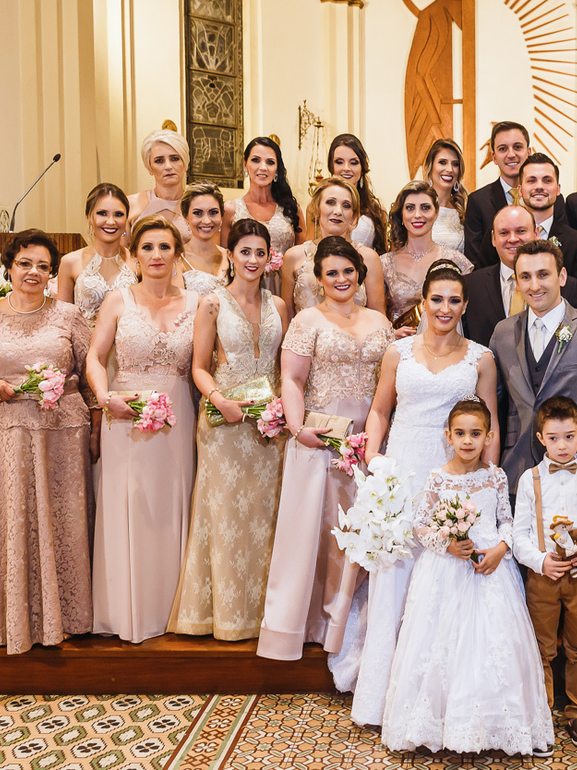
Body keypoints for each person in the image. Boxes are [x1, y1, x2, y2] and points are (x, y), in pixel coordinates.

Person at [336, 261, 500, 727]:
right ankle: (388, 692)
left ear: (464, 305)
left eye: (454, 300)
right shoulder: (397, 353)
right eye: (437, 299)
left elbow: (489, 424)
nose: (444, 308)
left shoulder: (480, 358)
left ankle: (442, 696)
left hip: (456, 472)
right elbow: (380, 411)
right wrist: (376, 466)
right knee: (398, 577)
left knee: (445, 578)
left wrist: (484, 480)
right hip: (405, 470)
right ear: (422, 303)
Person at [380, 398, 554, 758]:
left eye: (476, 434)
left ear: (489, 437)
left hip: (491, 569)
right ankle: (442, 724)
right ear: (448, 436)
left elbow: (507, 521)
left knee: (493, 645)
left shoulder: (496, 476)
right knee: (444, 644)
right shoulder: (437, 477)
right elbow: (420, 524)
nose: (467, 441)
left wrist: (501, 548)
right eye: (460, 433)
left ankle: (495, 724)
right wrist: (445, 545)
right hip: (446, 573)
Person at [0, 230, 97, 654]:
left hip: (60, 434)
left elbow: (91, 374)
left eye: (43, 266)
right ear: (9, 267)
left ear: (52, 273)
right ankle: (5, 618)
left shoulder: (69, 316)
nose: (33, 272)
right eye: (24, 264)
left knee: (61, 521)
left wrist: (97, 425)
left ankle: (66, 618)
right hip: (1, 437)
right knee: (6, 519)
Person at [257, 237, 394, 660]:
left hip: (369, 440)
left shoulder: (380, 322)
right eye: (331, 272)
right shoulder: (307, 321)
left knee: (359, 533)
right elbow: (292, 380)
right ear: (318, 279)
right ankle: (310, 625)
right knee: (316, 532)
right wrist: (298, 429)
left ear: (360, 274)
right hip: (319, 436)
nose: (341, 279)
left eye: (348, 271)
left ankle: (352, 627)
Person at [168, 219, 289, 641]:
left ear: (269, 257)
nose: (253, 260)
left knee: (264, 515)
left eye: (260, 253)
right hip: (224, 421)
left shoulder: (280, 306)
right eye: (245, 252)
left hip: (267, 426)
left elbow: (281, 368)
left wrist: (280, 413)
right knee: (224, 513)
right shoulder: (211, 303)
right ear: (231, 255)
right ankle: (222, 615)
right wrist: (219, 399)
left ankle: (261, 614)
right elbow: (198, 367)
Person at [87, 216, 199, 643]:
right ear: (134, 256)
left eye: (164, 248)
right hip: (124, 413)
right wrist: (104, 397)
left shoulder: (196, 303)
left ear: (177, 255)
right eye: (147, 248)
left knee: (171, 505)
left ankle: (171, 609)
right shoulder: (117, 301)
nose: (156, 256)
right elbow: (96, 357)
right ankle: (125, 610)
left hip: (178, 415)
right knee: (129, 504)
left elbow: (206, 365)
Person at [512, 396, 577, 750]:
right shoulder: (529, 480)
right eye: (553, 438)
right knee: (541, 648)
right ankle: (541, 717)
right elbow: (519, 535)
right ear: (540, 437)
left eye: (569, 437)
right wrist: (540, 561)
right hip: (543, 578)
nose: (561, 445)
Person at [490, 240, 577, 502]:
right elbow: (493, 406)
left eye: (543, 275)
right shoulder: (503, 333)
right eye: (525, 277)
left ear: (561, 276)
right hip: (517, 472)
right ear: (517, 283)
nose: (534, 285)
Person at [461, 206, 577, 346]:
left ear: (536, 233)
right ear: (493, 238)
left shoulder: (566, 285)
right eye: (504, 233)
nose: (513, 239)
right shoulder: (471, 285)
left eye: (521, 231)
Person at [281, 177, 386, 318]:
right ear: (316, 209)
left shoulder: (368, 258)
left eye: (346, 206)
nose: (338, 211)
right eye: (330, 203)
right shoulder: (294, 257)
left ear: (354, 216)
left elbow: (378, 317)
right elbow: (287, 316)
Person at [379, 181, 473, 336]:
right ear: (401, 215)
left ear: (436, 213)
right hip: (399, 348)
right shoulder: (384, 263)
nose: (417, 215)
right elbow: (375, 312)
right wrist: (391, 334)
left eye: (425, 207)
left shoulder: (457, 261)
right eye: (410, 208)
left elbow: (467, 314)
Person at [464, 121, 563, 267]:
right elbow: (474, 260)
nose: (511, 154)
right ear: (494, 157)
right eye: (503, 149)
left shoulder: (553, 200)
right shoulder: (478, 201)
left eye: (517, 147)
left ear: (529, 152)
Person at [226, 136, 302, 293]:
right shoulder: (231, 210)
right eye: (255, 160)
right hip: (244, 291)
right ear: (245, 165)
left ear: (277, 170)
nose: (263, 167)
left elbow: (302, 259)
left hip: (285, 290)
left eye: (270, 162)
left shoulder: (292, 210)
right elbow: (224, 259)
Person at [56, 183, 137, 328]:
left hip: (127, 347)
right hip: (84, 347)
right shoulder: (70, 262)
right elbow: (64, 321)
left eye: (118, 214)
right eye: (102, 213)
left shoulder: (138, 261)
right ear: (88, 217)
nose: (111, 221)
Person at [519, 153, 577, 297]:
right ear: (520, 189)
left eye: (547, 180)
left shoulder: (576, 242)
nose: (539, 187)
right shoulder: (506, 238)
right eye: (531, 180)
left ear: (558, 189)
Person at [128, 129, 192, 243]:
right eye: (159, 161)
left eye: (174, 159)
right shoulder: (132, 204)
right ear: (149, 167)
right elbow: (122, 255)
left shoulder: (199, 204)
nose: (168, 166)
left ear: (185, 163)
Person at [328, 133, 388, 253]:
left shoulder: (376, 209)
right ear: (331, 166)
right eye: (339, 162)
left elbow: (383, 253)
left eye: (353, 162)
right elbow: (309, 254)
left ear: (362, 168)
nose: (346, 168)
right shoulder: (316, 208)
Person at [179, 182, 230, 296]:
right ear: (185, 217)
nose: (206, 220)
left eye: (213, 213)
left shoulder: (230, 257)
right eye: (198, 213)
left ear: (222, 215)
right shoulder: (177, 258)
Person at [422, 138, 467, 252]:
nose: (449, 169)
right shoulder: (415, 206)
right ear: (430, 166)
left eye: (455, 164)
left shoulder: (465, 209)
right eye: (442, 162)